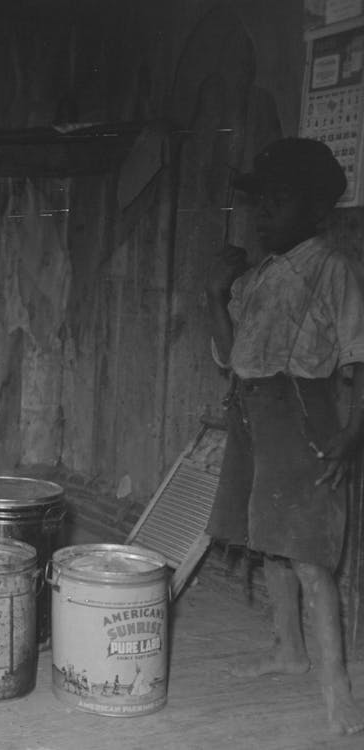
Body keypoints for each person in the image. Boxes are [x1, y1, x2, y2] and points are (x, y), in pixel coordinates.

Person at [205, 137, 364, 736]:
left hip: (303, 416)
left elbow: (359, 353)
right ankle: (287, 649)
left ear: (316, 211)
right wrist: (215, 294)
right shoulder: (259, 276)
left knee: (309, 557)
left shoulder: (332, 269)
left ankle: (337, 689)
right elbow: (228, 354)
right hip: (253, 414)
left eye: (278, 202)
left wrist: (352, 431)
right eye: (259, 203)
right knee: (267, 540)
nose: (262, 214)